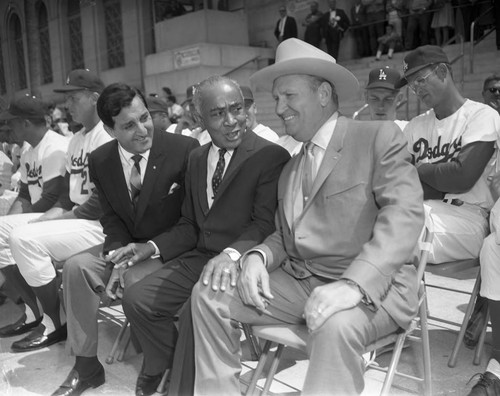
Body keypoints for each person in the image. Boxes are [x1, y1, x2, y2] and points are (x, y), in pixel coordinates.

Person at [190, 38, 424, 395]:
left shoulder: (377, 137)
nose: (279, 108)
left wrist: (353, 285)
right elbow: (286, 236)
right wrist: (258, 256)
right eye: (276, 98)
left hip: (375, 288)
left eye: (288, 96)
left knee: (334, 325)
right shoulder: (291, 164)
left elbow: (404, 215)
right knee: (209, 293)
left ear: (324, 94)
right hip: (302, 283)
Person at [120, 75, 290, 396]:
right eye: (218, 114)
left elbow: (265, 224)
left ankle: (183, 384)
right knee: (136, 299)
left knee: (194, 313)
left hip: (241, 262)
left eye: (237, 109)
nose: (232, 121)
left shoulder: (270, 156)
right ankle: (170, 363)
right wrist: (152, 247)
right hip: (201, 258)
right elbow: (190, 223)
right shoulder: (197, 158)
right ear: (200, 119)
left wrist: (232, 255)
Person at [50, 83, 199, 396]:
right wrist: (117, 254)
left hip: (169, 248)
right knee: (77, 267)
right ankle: (87, 365)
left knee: (132, 276)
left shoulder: (182, 150)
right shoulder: (101, 159)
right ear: (109, 129)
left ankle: (161, 361)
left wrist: (147, 251)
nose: (143, 129)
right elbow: (112, 218)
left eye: (144, 117)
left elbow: (192, 222)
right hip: (126, 246)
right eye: (129, 125)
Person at [5, 69, 113, 353]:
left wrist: (59, 219)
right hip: (79, 218)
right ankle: (36, 313)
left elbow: (101, 202)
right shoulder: (77, 138)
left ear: (94, 99)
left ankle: (55, 323)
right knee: (11, 231)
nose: (67, 105)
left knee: (24, 239)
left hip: (100, 224)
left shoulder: (107, 135)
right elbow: (66, 196)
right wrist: (47, 218)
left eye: (74, 97)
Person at [397, 45, 500, 264]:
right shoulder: (415, 126)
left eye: (420, 80)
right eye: (411, 85)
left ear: (443, 71)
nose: (416, 89)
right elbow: (396, 181)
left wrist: (419, 170)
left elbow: (462, 178)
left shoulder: (481, 116)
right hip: (424, 208)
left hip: (470, 218)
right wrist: (442, 176)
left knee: (402, 224)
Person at [0, 95, 68, 340]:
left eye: (12, 122)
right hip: (42, 216)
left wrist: (11, 227)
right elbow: (25, 194)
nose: (8, 128)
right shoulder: (29, 150)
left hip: (62, 219)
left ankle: (48, 314)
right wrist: (7, 224)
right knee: (2, 235)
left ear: (26, 122)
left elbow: (53, 198)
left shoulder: (55, 147)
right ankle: (33, 309)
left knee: (8, 235)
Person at [365, 66, 408, 131]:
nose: (380, 107)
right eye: (374, 99)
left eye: (388, 99)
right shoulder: (357, 134)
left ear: (399, 98)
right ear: (366, 97)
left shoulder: (409, 131)